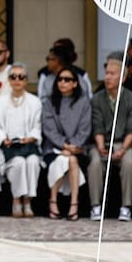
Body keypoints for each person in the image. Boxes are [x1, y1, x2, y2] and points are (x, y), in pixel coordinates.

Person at [87, 53, 132, 222]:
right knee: (95, 163)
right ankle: (95, 206)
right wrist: (101, 147)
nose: (107, 77)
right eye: (106, 73)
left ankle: (126, 206)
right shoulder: (97, 99)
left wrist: (123, 149)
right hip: (102, 142)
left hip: (124, 143)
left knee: (129, 163)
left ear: (123, 78)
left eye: (112, 74)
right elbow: (97, 126)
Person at [0, 63, 42, 218]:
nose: (17, 80)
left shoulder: (35, 101)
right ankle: (17, 199)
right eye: (13, 77)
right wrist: (4, 139)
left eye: (21, 77)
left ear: (26, 80)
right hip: (8, 147)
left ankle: (28, 200)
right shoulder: (1, 101)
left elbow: (37, 125)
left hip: (28, 146)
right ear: (9, 80)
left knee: (32, 162)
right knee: (18, 163)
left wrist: (30, 137)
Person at [42, 67, 91, 220]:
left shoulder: (84, 102)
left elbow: (85, 129)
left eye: (67, 79)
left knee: (71, 159)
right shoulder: (49, 102)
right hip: (54, 148)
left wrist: (72, 147)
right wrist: (64, 145)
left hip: (77, 148)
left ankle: (56, 201)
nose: (62, 82)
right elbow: (49, 130)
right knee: (68, 160)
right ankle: (72, 204)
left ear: (75, 83)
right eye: (60, 79)